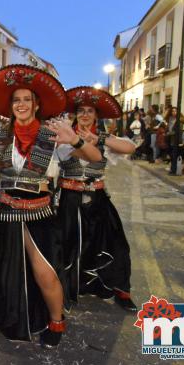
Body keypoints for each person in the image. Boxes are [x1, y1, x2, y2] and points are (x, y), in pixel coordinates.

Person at [0, 65, 102, 349]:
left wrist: (77, 140)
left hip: (39, 212)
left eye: (26, 100)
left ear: (36, 105)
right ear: (11, 106)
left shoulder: (52, 135)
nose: (21, 104)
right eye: (16, 100)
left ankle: (57, 320)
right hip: (4, 211)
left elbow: (94, 157)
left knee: (44, 272)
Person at [58, 86, 137, 312]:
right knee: (70, 245)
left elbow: (129, 147)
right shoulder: (65, 136)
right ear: (74, 114)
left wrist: (99, 137)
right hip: (70, 198)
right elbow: (72, 154)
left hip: (98, 198)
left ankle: (121, 290)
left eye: (89, 111)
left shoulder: (102, 137)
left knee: (116, 244)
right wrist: (79, 141)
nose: (84, 115)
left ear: (96, 115)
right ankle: (67, 289)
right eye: (80, 110)